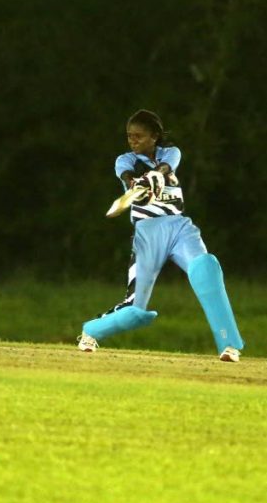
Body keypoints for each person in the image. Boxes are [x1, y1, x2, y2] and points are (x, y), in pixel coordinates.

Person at [77, 109, 246, 362]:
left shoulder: (170, 153)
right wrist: (138, 184)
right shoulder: (125, 160)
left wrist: (158, 174)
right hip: (148, 232)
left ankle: (229, 345)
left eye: (139, 136)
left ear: (154, 137)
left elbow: (168, 165)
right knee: (136, 309)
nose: (132, 141)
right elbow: (126, 177)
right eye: (129, 136)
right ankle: (91, 331)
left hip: (179, 228)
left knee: (206, 269)